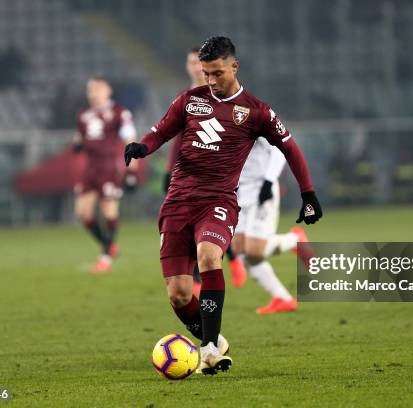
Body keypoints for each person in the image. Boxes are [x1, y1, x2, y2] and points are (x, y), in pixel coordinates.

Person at [124, 36, 322, 375]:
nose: (211, 82)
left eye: (217, 73)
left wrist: (308, 193)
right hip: (177, 203)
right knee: (180, 294)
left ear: (234, 66)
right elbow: (160, 132)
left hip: (218, 202)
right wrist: (142, 147)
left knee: (209, 256)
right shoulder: (189, 101)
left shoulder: (257, 111)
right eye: (206, 74)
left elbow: (290, 148)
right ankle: (211, 339)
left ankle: (211, 349)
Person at [164, 46, 247, 296]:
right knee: (190, 226)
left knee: (212, 224)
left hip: (218, 175)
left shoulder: (226, 96)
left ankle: (230, 261)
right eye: (189, 62)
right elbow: (175, 137)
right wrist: (170, 170)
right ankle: (203, 277)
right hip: (188, 174)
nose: (194, 67)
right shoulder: (185, 97)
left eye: (196, 62)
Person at [231, 138, 310, 314]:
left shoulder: (255, 115)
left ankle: (295, 240)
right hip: (238, 189)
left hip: (261, 188)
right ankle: (283, 298)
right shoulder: (221, 120)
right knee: (239, 250)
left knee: (254, 251)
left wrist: (268, 181)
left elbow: (280, 149)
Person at [73, 76, 138, 274]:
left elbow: (130, 140)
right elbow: (80, 139)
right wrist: (77, 144)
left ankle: (105, 257)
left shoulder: (119, 112)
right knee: (83, 213)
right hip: (90, 168)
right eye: (90, 89)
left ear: (108, 91)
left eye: (98, 88)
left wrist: (131, 170)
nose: (93, 93)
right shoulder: (83, 115)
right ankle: (109, 245)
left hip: (110, 166)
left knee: (109, 210)